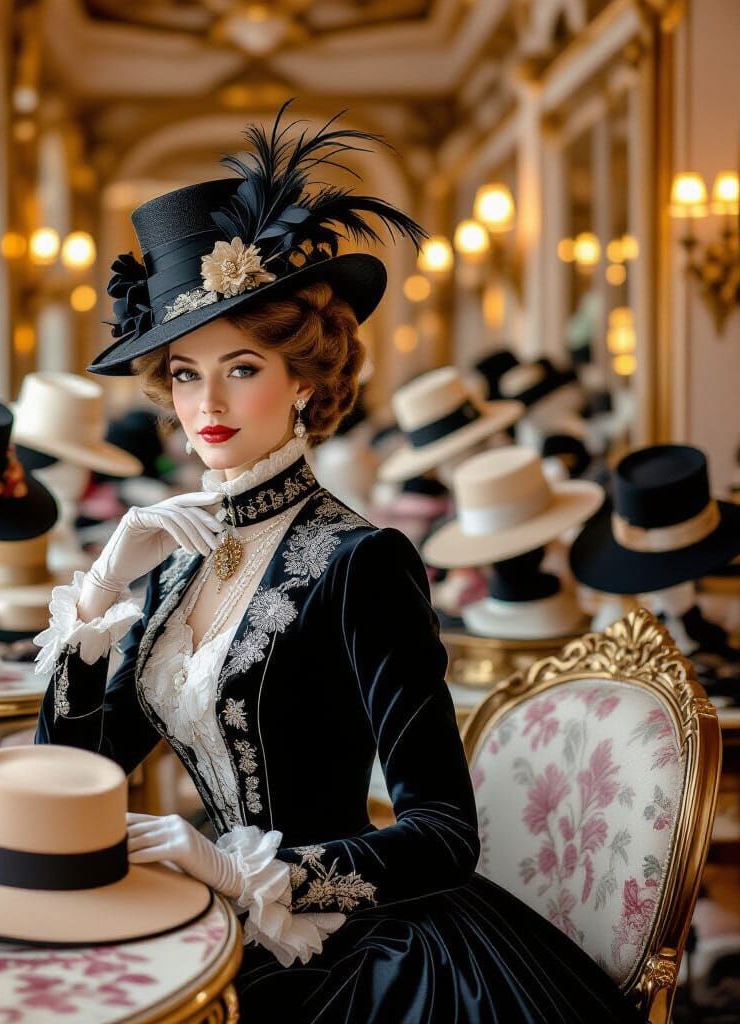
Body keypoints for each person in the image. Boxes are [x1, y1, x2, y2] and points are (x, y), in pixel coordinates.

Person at [34, 103, 638, 1023]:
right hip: (210, 917)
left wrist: (231, 864)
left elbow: (442, 835)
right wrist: (100, 597)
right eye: (187, 374)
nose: (208, 403)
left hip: (350, 950)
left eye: (242, 367)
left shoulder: (363, 562)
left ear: (306, 379)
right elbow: (71, 771)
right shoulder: (173, 555)